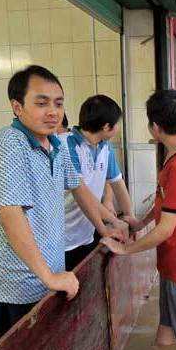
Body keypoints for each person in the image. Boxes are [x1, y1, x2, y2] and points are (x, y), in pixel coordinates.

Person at [0, 65, 122, 343]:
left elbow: (78, 188)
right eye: (41, 103)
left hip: (46, 277)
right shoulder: (11, 142)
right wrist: (49, 277)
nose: (53, 112)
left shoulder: (55, 144)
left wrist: (105, 231)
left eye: (58, 103)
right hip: (15, 284)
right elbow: (10, 213)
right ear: (17, 107)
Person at [101, 89, 176, 350]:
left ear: (155, 127)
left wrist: (125, 249)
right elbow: (165, 206)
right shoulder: (175, 156)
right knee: (166, 327)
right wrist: (139, 224)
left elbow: (165, 229)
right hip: (173, 260)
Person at [61, 95, 135, 271]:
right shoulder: (67, 146)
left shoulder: (105, 147)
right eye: (116, 124)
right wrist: (111, 222)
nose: (118, 128)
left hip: (87, 231)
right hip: (62, 237)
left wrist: (129, 217)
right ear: (106, 127)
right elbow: (82, 194)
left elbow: (118, 184)